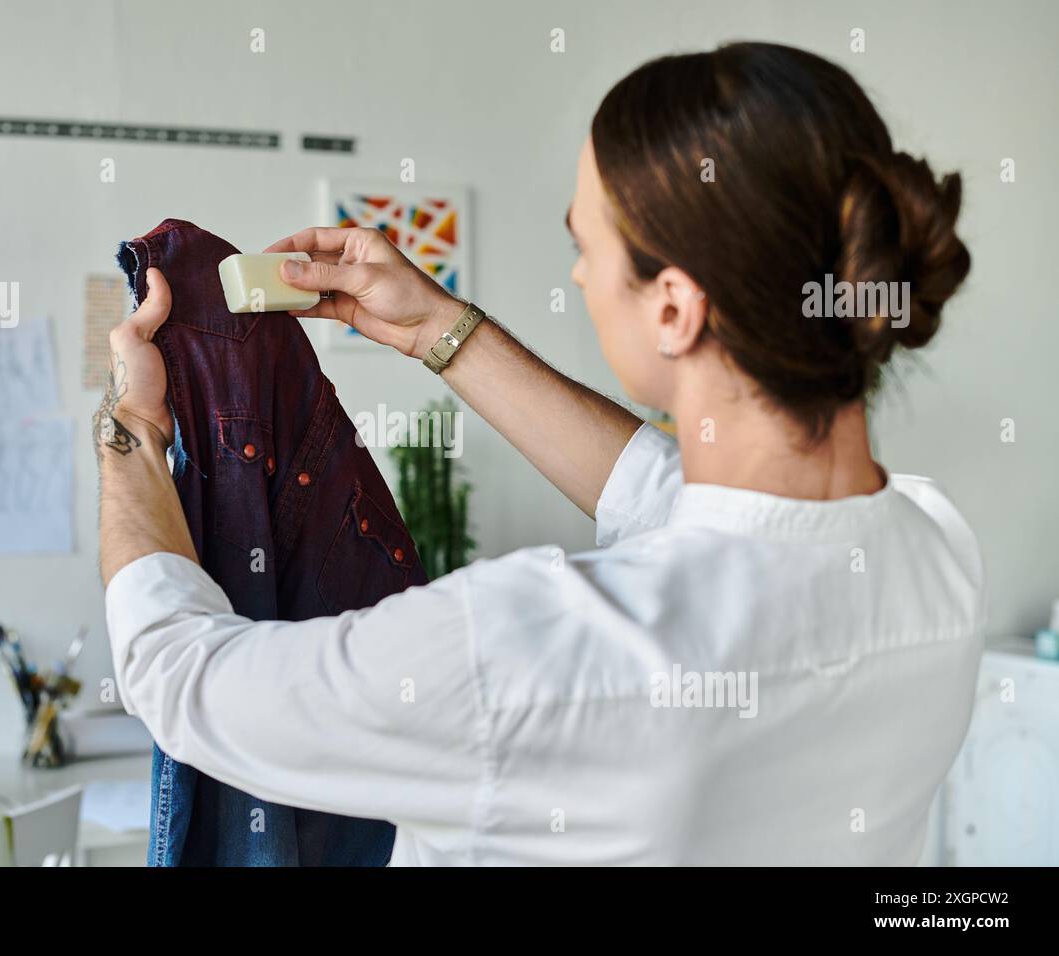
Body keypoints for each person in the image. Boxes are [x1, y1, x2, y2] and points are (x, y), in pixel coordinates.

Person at [95, 42, 980, 865]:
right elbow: (667, 495)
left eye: (583, 246)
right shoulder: (935, 552)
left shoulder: (532, 652)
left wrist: (132, 426)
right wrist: (437, 329)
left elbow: (180, 674)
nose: (579, 277)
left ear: (673, 307)